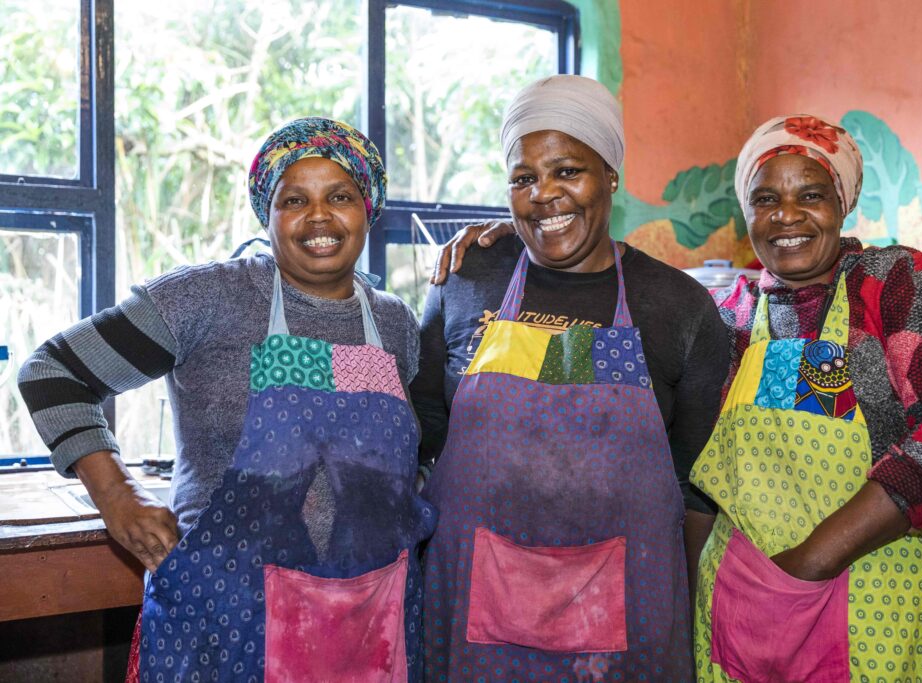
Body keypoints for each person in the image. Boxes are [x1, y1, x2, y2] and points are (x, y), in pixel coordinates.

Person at [18, 117, 436, 682]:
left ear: (369, 208)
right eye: (294, 199)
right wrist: (118, 496)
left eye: (340, 196)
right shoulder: (208, 298)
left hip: (371, 623)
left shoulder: (394, 321)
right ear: (268, 213)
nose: (319, 216)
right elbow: (53, 373)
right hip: (225, 620)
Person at [411, 75, 729, 682]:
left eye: (567, 171)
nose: (545, 195)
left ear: (610, 174)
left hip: (628, 620)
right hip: (471, 608)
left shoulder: (677, 307)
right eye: (523, 179)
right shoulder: (468, 281)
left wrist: (688, 630)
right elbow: (421, 428)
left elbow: (698, 486)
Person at [688, 115, 922, 682]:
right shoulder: (731, 316)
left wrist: (810, 563)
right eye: (765, 198)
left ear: (842, 203)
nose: (786, 215)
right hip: (746, 610)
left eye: (810, 194)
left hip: (884, 605)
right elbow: (701, 480)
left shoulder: (895, 283)